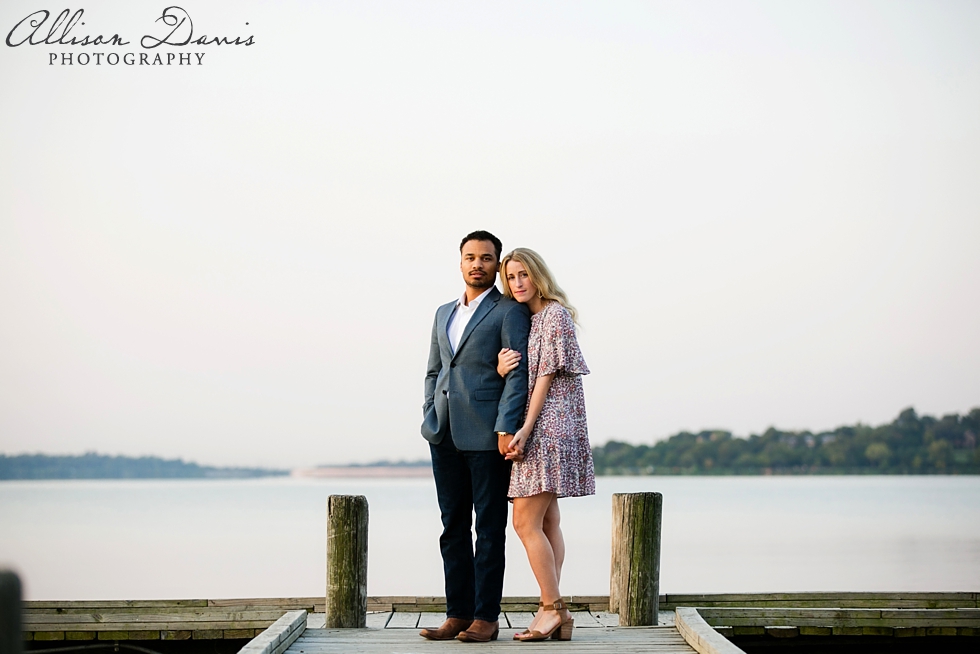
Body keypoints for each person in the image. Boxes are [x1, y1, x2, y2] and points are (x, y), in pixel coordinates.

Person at [419, 231, 531, 643]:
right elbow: (434, 370)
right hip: (443, 433)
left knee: (488, 529)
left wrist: (506, 426)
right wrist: (429, 411)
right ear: (460, 262)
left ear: (496, 264)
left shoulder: (509, 311)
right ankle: (457, 613)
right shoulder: (442, 312)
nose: (477, 264)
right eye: (470, 257)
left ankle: (485, 617)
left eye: (486, 258)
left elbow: (517, 374)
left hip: (487, 436)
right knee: (452, 527)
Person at [496, 247, 595, 642]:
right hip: (546, 425)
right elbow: (523, 371)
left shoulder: (553, 315)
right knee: (548, 521)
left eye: (524, 275)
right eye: (512, 277)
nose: (517, 283)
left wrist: (526, 428)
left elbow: (546, 377)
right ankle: (555, 610)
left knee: (524, 522)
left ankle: (551, 608)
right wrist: (501, 367)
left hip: (550, 426)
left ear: (539, 275)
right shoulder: (532, 319)